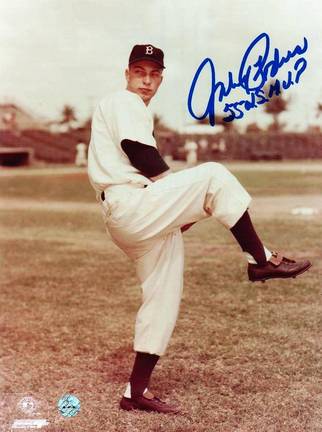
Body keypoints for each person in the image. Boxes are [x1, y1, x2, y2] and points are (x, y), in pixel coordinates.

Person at [87, 44, 312, 414]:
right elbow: (139, 152)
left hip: (137, 212)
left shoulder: (133, 108)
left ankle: (135, 392)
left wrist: (176, 209)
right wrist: (176, 196)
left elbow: (139, 156)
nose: (146, 79)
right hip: (130, 204)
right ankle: (262, 260)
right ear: (126, 73)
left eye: (154, 73)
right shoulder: (122, 102)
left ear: (160, 78)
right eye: (139, 71)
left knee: (163, 298)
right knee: (213, 175)